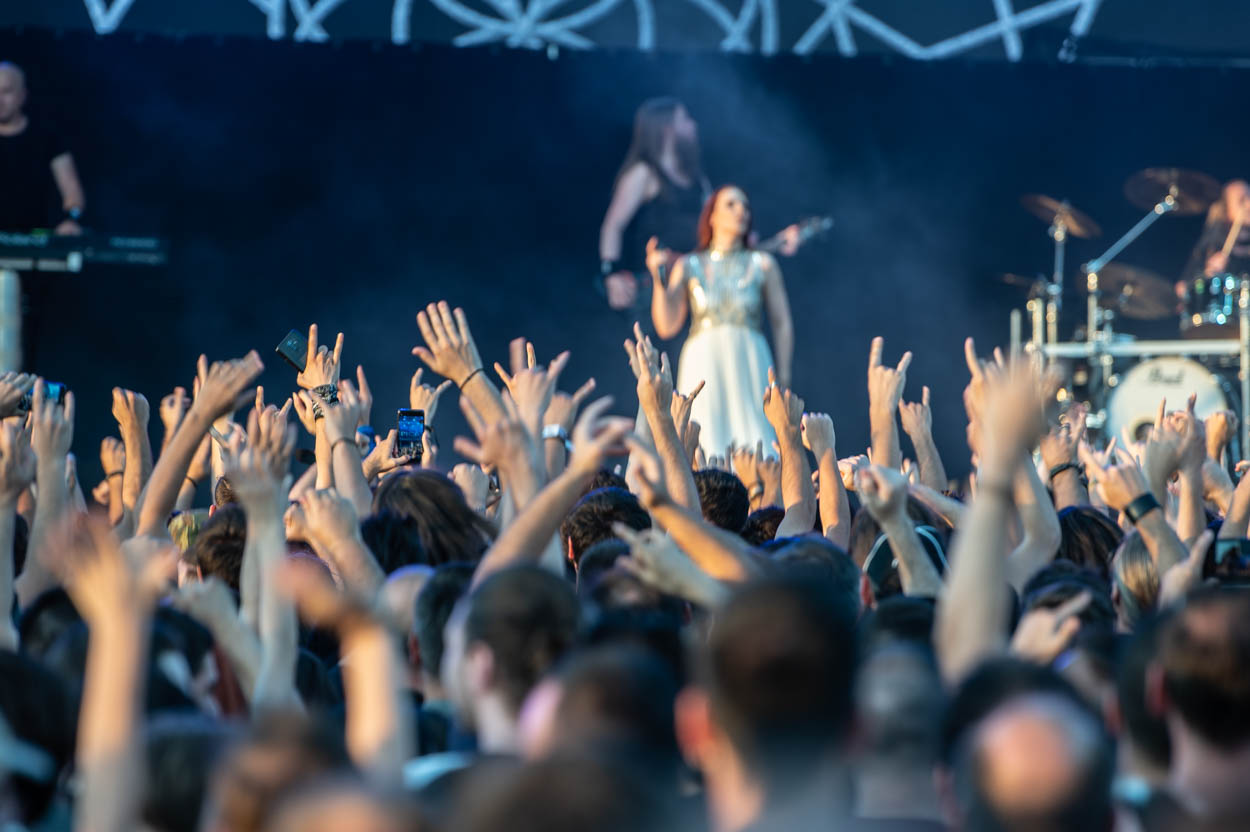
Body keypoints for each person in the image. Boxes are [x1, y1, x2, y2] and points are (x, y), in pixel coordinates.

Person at [650, 184, 794, 456]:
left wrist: (783, 376)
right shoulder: (690, 265)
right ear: (712, 216)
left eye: (745, 206)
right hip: (704, 359)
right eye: (731, 204)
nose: (741, 210)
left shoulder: (762, 264)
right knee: (704, 438)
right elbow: (667, 325)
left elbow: (782, 322)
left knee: (757, 440)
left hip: (750, 357)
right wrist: (659, 278)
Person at [597, 98, 709, 312]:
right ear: (667, 129)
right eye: (684, 119)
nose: (693, 125)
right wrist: (610, 274)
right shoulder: (644, 174)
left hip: (696, 288)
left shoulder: (697, 180)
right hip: (656, 292)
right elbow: (613, 226)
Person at [0, 62, 85, 234]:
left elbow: (72, 191)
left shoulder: (47, 137)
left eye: (6, 91)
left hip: (37, 239)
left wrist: (71, 219)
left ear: (22, 95)